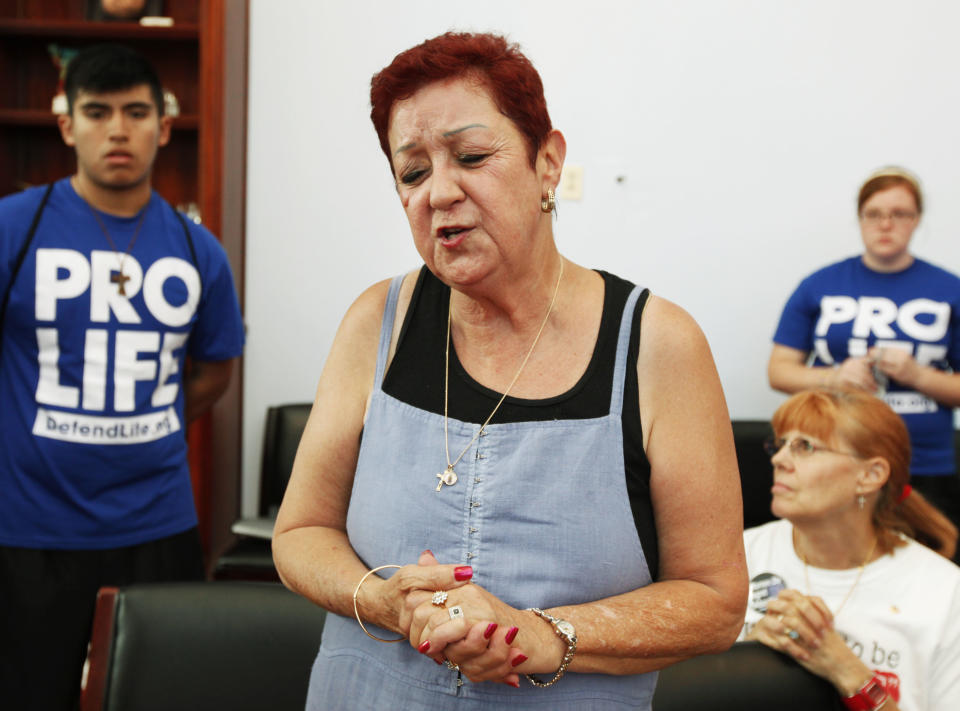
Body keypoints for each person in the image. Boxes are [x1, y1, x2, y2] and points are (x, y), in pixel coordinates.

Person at [272, 31, 747, 710]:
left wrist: (545, 633)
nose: (439, 192)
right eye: (412, 172)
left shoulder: (656, 345)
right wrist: (381, 599)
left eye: (471, 156)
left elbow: (715, 601)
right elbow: (298, 533)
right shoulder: (376, 322)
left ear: (547, 162)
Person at [0, 44, 244, 709]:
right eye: (97, 112)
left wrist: (146, 419)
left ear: (163, 127)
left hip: (156, 525)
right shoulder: (11, 229)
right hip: (30, 528)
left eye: (136, 112)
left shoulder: (199, 249)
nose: (117, 129)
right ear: (67, 125)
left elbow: (216, 370)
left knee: (160, 697)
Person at [767, 167, 960, 562]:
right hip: (830, 460)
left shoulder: (949, 289)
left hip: (925, 463)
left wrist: (918, 376)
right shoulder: (819, 285)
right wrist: (834, 377)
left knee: (930, 575)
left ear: (917, 220)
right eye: (874, 213)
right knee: (832, 568)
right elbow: (779, 370)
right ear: (860, 218)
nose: (886, 224)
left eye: (900, 213)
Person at [743, 389, 960, 711]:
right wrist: (751, 656)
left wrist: (847, 671)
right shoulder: (740, 554)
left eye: (804, 446)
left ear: (870, 476)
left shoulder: (945, 592)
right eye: (781, 443)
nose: (778, 459)